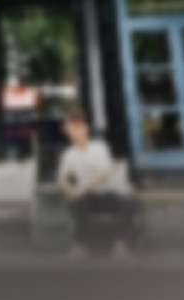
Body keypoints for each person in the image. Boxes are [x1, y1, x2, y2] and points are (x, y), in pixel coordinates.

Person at [57, 110, 141, 257]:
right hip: (88, 197)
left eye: (77, 128)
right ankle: (79, 245)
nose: (74, 132)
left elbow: (104, 177)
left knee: (128, 203)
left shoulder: (100, 148)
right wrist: (69, 189)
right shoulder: (69, 154)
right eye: (70, 129)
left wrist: (81, 190)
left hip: (109, 194)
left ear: (85, 128)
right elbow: (62, 177)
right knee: (76, 203)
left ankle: (122, 244)